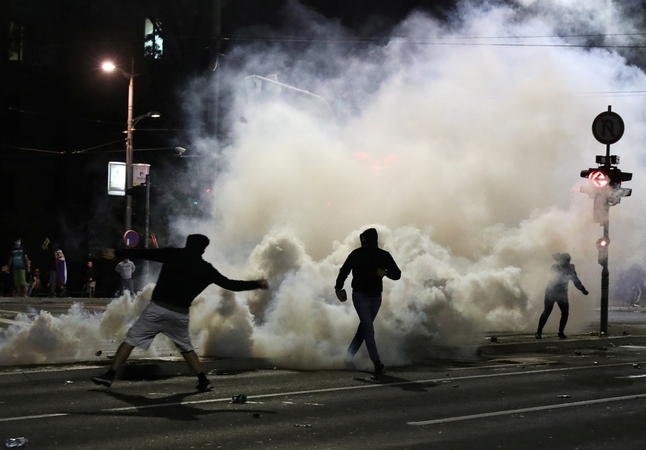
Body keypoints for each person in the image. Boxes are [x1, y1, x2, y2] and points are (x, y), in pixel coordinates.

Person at [91, 234, 269, 391]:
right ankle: (203, 380)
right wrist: (257, 284)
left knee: (130, 340)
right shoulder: (205, 268)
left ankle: (110, 375)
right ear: (203, 250)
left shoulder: (173, 254)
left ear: (188, 244)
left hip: (157, 309)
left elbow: (145, 253)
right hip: (179, 314)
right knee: (186, 348)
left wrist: (117, 253)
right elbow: (231, 284)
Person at [334, 228, 401, 374]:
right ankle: (376, 362)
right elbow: (344, 270)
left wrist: (386, 273)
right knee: (368, 329)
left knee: (364, 329)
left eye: (366, 241)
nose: (365, 244)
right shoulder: (357, 254)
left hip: (376, 297)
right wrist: (338, 288)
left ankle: (348, 357)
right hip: (360, 295)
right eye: (363, 241)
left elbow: (397, 274)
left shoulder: (383, 256)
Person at [535, 252, 588, 340]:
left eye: (568, 261)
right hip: (551, 292)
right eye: (566, 260)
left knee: (565, 313)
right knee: (547, 311)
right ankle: (539, 332)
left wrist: (582, 289)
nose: (567, 262)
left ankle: (561, 332)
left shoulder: (569, 269)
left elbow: (576, 281)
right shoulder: (555, 267)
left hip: (562, 294)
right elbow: (556, 276)